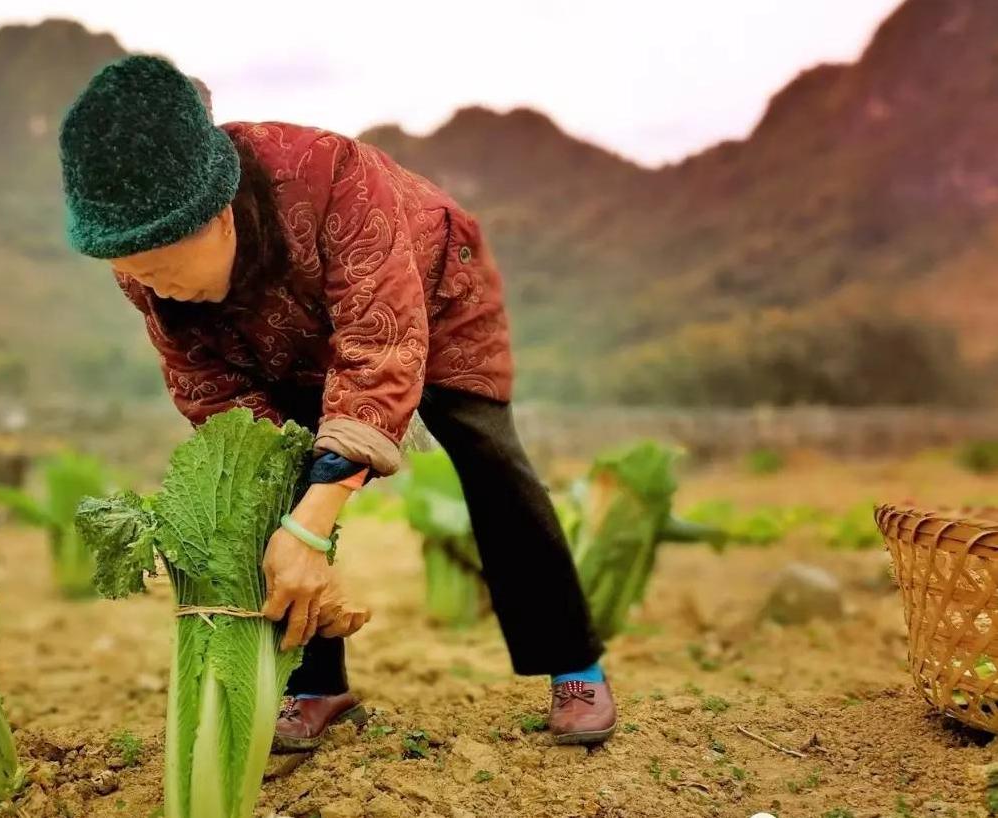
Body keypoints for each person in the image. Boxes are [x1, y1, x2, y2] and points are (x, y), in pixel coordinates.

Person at [58, 54, 616, 750]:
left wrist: (315, 525)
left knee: (489, 457)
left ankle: (572, 662)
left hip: (432, 303)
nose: (156, 290)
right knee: (268, 484)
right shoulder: (148, 275)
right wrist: (289, 517)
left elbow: (379, 349)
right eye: (135, 276)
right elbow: (215, 396)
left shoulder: (331, 177)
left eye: (166, 267)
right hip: (279, 341)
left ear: (220, 216)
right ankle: (315, 684)